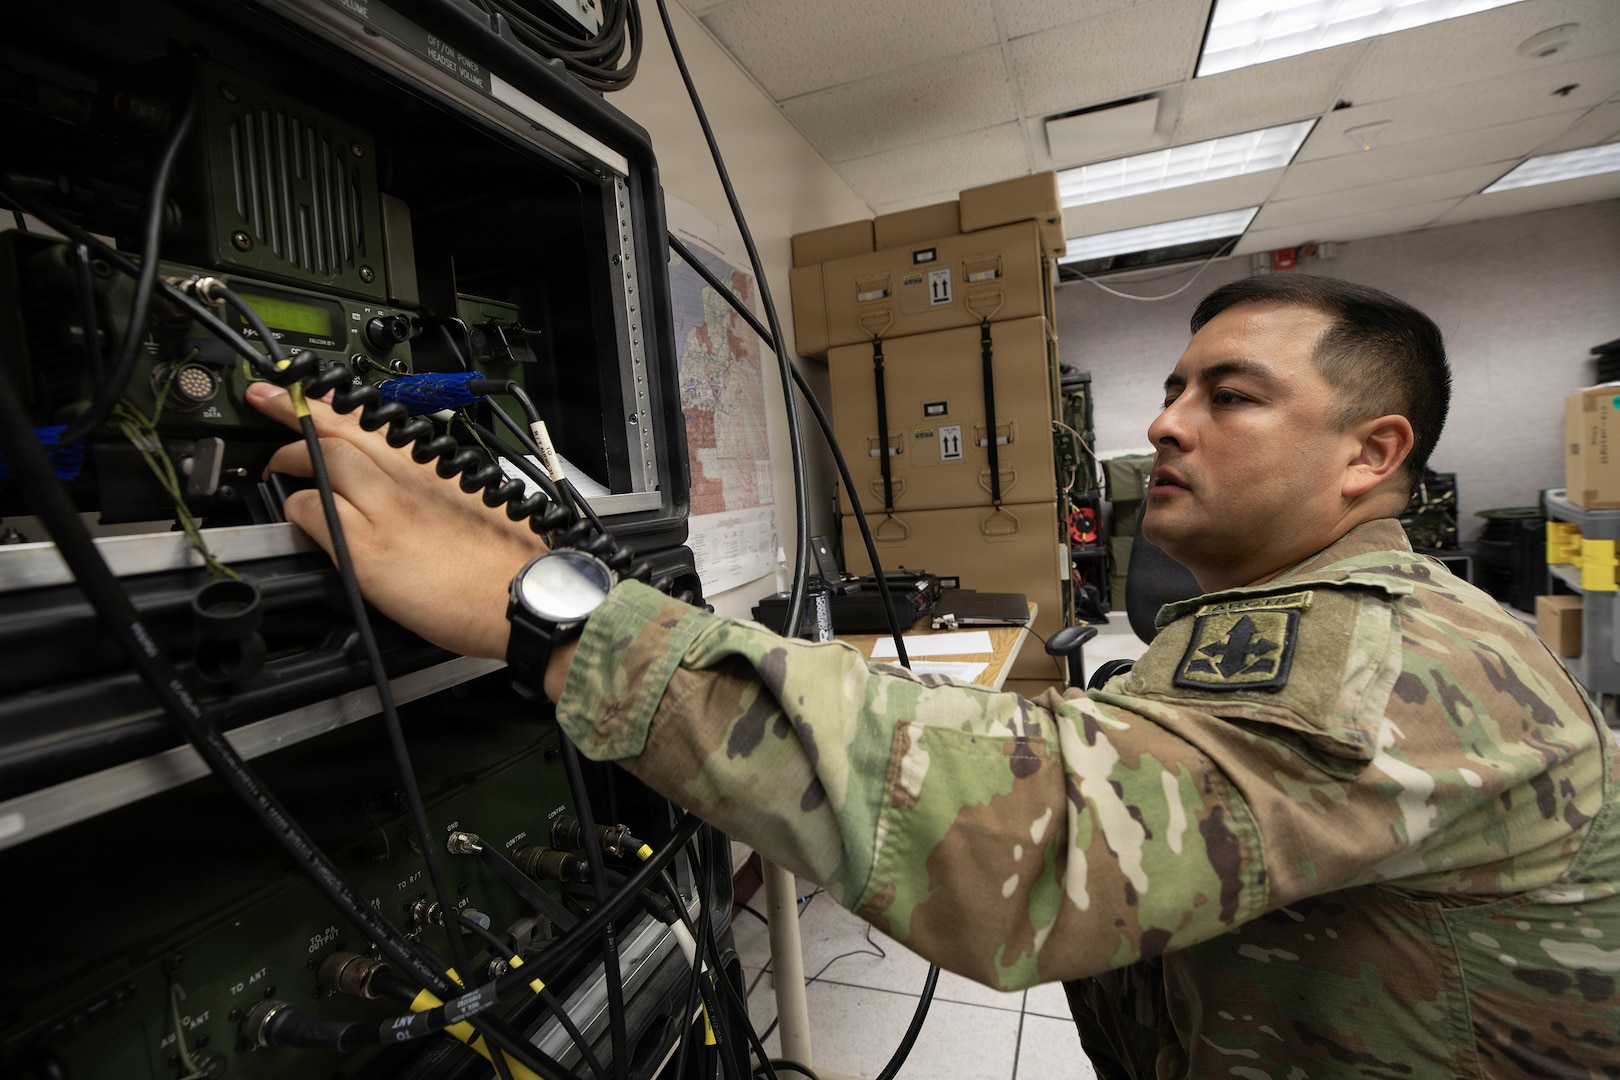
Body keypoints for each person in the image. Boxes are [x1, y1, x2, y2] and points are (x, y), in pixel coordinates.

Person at [246, 274, 1620, 1078]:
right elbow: (1106, 761)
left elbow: (1048, 846)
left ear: (1372, 455)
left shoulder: (1391, 651)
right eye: (1177, 388)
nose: (1164, 423)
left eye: (1231, 396)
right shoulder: (1284, 618)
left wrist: (551, 615)